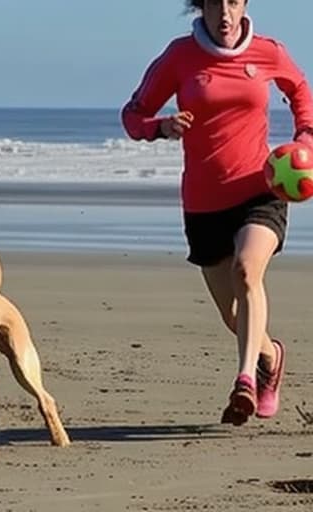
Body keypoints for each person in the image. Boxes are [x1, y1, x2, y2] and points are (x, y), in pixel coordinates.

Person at [121, 0, 313, 426]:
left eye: (233, 1)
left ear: (244, 5)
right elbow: (133, 115)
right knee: (232, 315)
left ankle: (244, 380)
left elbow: (300, 90)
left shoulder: (268, 52)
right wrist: (161, 127)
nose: (224, 13)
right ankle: (268, 355)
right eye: (214, 4)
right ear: (201, 7)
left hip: (260, 189)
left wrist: (305, 139)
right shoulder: (179, 57)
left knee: (248, 273)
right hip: (204, 203)